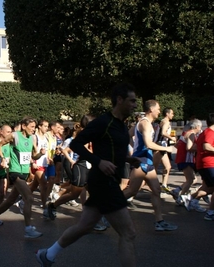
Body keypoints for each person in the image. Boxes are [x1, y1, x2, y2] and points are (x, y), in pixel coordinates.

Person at [36, 83, 140, 267]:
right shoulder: (103, 122)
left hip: (107, 181)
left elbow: (114, 151)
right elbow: (75, 144)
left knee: (85, 225)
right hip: (103, 182)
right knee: (128, 233)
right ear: (119, 100)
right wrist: (98, 161)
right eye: (132, 100)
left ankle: (48, 255)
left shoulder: (122, 125)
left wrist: (128, 159)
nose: (135, 104)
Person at [0, 117, 45, 238]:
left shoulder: (32, 138)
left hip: (24, 173)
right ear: (24, 126)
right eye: (32, 127)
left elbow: (34, 156)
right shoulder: (15, 136)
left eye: (35, 127)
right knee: (29, 198)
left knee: (10, 200)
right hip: (14, 172)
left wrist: (41, 153)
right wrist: (2, 157)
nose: (34, 130)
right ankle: (28, 229)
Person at [123, 100, 178, 231]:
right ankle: (102, 209)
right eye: (158, 109)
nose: (159, 111)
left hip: (147, 161)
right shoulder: (145, 124)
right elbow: (148, 144)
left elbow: (127, 135)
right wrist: (168, 149)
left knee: (156, 190)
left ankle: (159, 221)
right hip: (141, 161)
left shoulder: (144, 123)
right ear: (151, 110)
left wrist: (131, 147)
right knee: (131, 191)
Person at [153, 107, 176, 193]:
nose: (173, 115)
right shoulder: (166, 122)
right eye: (172, 113)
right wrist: (172, 138)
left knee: (168, 167)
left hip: (162, 146)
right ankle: (146, 183)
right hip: (159, 146)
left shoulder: (163, 121)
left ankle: (164, 185)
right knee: (153, 167)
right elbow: (163, 133)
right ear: (167, 113)